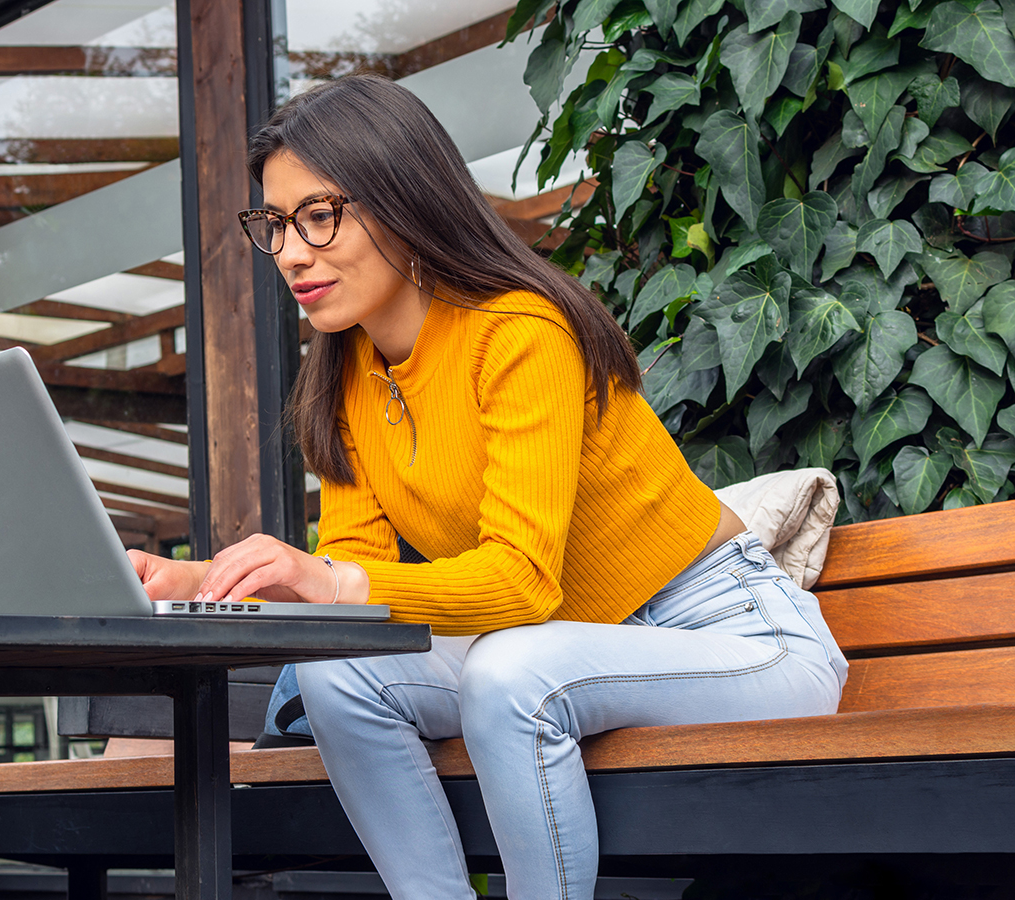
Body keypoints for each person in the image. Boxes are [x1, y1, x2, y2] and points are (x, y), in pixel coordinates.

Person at [125, 74, 849, 900]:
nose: (292, 251)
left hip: (738, 642)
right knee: (338, 674)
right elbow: (347, 593)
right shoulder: (344, 382)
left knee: (512, 669)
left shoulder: (519, 332)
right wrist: (201, 588)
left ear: (404, 198)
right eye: (277, 224)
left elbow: (521, 580)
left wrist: (330, 581)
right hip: (561, 651)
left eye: (320, 215)